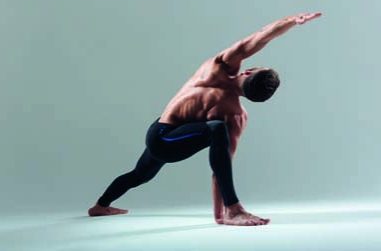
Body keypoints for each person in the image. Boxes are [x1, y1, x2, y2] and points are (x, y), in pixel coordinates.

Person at [88, 12, 322, 226]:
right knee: (213, 131)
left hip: (160, 133)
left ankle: (100, 206)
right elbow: (222, 166)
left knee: (140, 174)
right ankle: (232, 209)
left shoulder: (217, 67)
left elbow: (261, 37)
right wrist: (219, 213)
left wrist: (292, 21)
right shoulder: (236, 115)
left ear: (248, 72)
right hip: (167, 140)